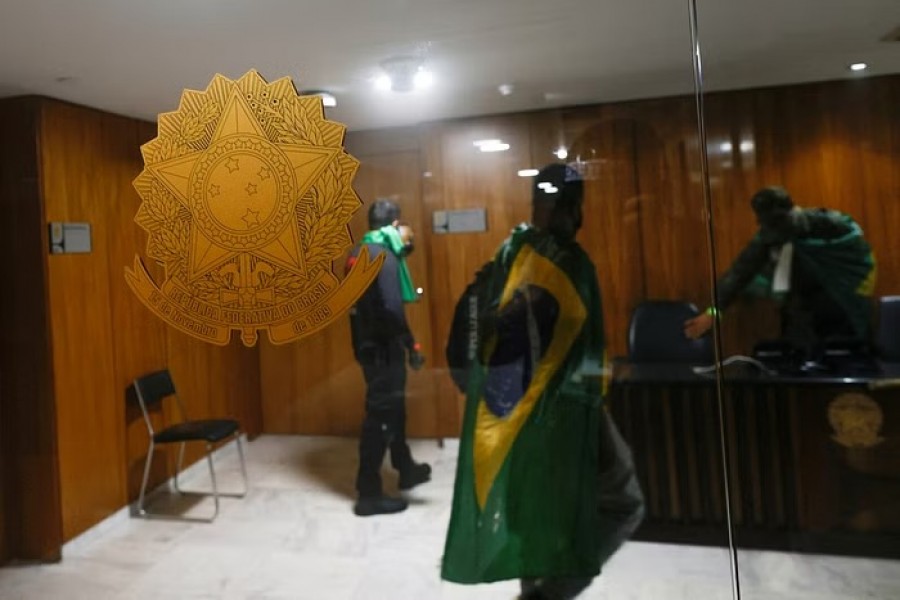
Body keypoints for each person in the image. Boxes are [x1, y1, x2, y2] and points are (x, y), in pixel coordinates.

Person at [441, 164, 645, 599]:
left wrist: (474, 381)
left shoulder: (513, 248)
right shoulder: (563, 260)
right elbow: (529, 325)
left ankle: (537, 585)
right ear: (574, 206)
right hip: (559, 406)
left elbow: (476, 313)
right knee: (623, 501)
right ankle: (546, 593)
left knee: (535, 504)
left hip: (508, 407)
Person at [684, 187, 877, 355]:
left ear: (793, 211)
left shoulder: (831, 224)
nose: (778, 229)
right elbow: (739, 273)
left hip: (843, 309)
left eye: (781, 223)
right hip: (801, 314)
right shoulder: (770, 235)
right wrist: (713, 311)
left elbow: (859, 258)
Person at [347, 199, 430, 517]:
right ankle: (368, 493)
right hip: (384, 349)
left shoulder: (360, 252)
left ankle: (404, 466)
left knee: (393, 409)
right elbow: (392, 309)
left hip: (368, 346)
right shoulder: (384, 257)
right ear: (394, 225)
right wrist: (411, 344)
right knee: (381, 416)